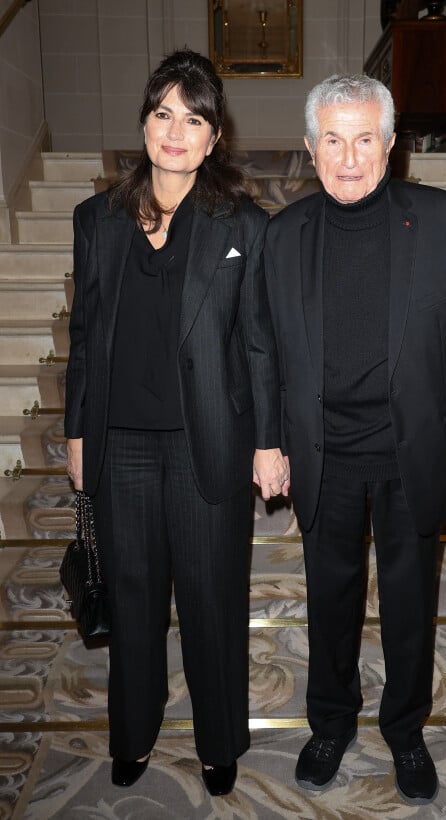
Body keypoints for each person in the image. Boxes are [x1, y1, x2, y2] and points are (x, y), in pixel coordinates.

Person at [264, 74, 446, 805]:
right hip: (324, 455)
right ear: (309, 148)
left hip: (414, 452)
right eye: (331, 140)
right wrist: (268, 443)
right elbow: (265, 353)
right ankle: (331, 722)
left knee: (408, 602)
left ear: (391, 145)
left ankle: (404, 730)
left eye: (364, 138)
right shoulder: (283, 235)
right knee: (330, 601)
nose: (348, 157)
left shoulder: (444, 221)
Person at [65, 49, 289, 797]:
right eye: (164, 113)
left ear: (213, 135)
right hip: (121, 443)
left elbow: (259, 341)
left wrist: (268, 440)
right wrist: (75, 435)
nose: (176, 131)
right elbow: (88, 337)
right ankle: (133, 732)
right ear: (144, 122)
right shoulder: (95, 220)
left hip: (209, 445)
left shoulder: (242, 227)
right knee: (132, 598)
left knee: (211, 601)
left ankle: (219, 741)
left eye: (193, 119)